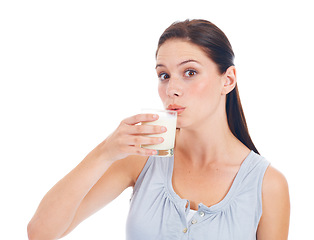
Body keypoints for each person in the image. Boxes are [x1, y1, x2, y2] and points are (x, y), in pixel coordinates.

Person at [27, 19, 290, 240]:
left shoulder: (267, 185)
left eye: (190, 72)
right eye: (164, 75)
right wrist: (105, 151)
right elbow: (41, 232)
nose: (171, 88)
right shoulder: (143, 156)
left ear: (228, 80)